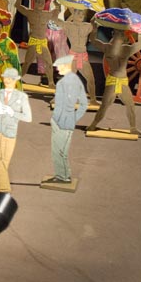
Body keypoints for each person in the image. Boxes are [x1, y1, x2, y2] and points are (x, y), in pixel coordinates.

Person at [87, 8, 141, 136]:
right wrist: (94, 25)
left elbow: (93, 39)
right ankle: (93, 125)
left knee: (130, 105)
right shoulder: (116, 48)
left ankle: (133, 128)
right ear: (114, 34)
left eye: (120, 34)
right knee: (105, 106)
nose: (118, 36)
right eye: (118, 33)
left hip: (121, 81)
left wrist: (140, 29)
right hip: (114, 81)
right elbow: (93, 40)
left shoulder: (121, 49)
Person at [0, 68, 32, 193]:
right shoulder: (0, 93)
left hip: (10, 132)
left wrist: (13, 113)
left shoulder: (22, 96)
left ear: (15, 81)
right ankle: (4, 189)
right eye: (5, 78)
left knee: (4, 162)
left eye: (10, 79)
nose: (7, 81)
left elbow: (28, 117)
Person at [46, 54, 88, 184]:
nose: (57, 69)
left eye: (59, 67)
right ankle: (60, 175)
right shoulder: (68, 81)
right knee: (56, 151)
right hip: (59, 120)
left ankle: (64, 177)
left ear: (66, 66)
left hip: (64, 121)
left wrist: (73, 118)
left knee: (60, 151)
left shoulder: (69, 82)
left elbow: (83, 104)